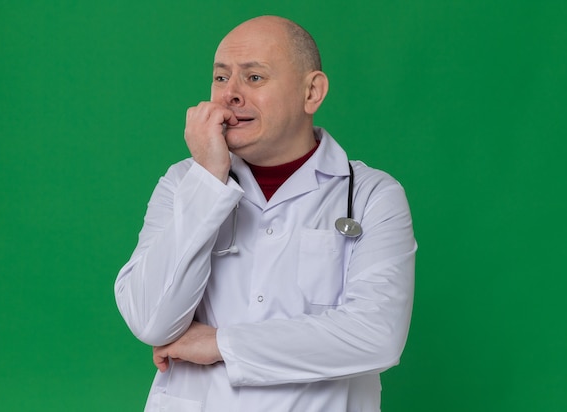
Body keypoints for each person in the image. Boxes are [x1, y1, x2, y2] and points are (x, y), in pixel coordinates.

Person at [114, 15, 416, 412]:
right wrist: (208, 180)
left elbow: (376, 334)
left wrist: (218, 343)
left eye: (254, 78)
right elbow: (151, 320)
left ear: (312, 92)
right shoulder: (183, 182)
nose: (230, 95)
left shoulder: (372, 195)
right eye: (221, 78)